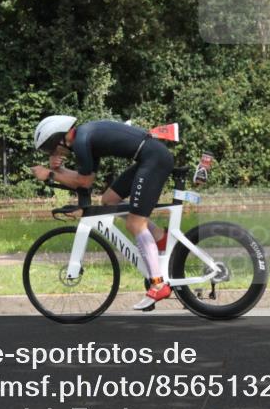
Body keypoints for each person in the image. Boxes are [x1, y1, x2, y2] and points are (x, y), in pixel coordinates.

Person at [30, 115, 175, 310]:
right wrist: (60, 171)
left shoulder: (81, 141)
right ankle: (159, 238)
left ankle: (158, 284)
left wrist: (50, 174)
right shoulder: (85, 138)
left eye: (51, 147)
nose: (54, 152)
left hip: (154, 159)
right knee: (109, 200)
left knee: (135, 223)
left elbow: (83, 182)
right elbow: (84, 179)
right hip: (150, 157)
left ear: (60, 138)